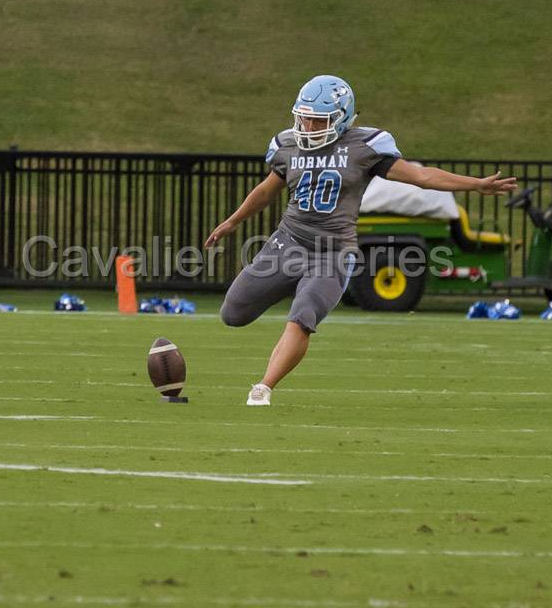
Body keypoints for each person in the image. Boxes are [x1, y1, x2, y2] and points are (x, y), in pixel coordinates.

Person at [205, 74, 518, 406]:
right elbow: (267, 189)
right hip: (288, 243)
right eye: (305, 117)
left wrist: (474, 184)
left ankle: (263, 387)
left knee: (303, 316)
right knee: (233, 314)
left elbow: (421, 177)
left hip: (333, 252)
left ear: (341, 118)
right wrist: (232, 221)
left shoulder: (364, 147)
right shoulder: (287, 145)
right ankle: (291, 285)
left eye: (318, 120)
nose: (308, 126)